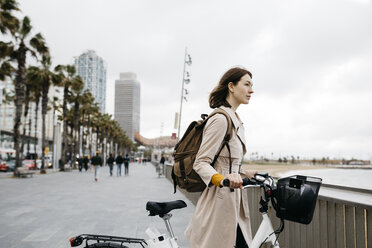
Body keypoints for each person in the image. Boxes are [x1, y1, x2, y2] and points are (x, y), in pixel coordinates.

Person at [185, 67, 257, 248]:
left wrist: (245, 173)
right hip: (220, 200)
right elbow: (201, 162)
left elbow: (226, 162)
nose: (251, 90)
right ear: (231, 86)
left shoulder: (236, 119)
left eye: (252, 85)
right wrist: (222, 179)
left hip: (234, 199)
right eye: (246, 84)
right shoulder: (221, 119)